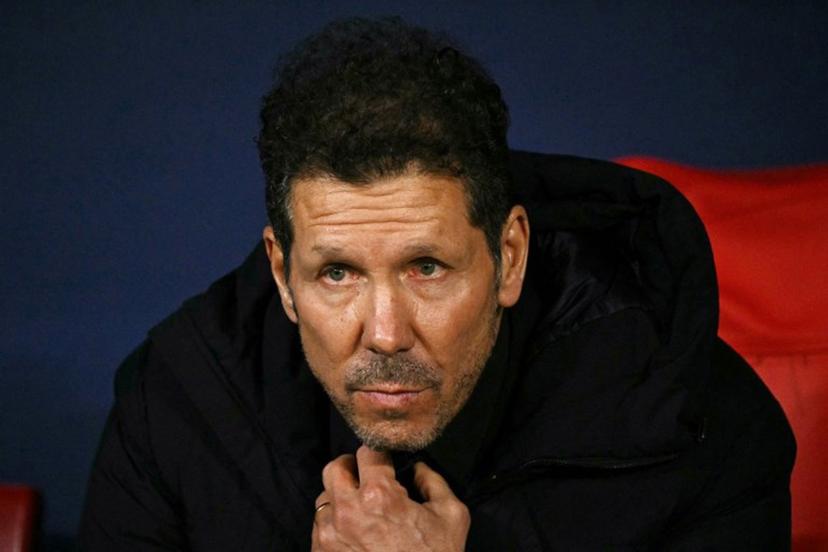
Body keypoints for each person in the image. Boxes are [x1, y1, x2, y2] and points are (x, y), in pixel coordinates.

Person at [79, 17, 795, 551]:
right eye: (336, 273)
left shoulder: (707, 427)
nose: (385, 333)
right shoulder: (176, 402)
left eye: (427, 267)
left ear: (509, 256)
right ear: (281, 274)